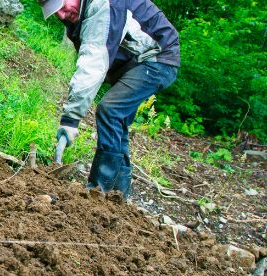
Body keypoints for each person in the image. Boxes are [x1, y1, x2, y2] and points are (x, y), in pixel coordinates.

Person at [41, 0, 180, 198]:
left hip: (156, 57)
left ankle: (98, 193)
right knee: (117, 120)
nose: (62, 15)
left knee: (110, 110)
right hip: (136, 63)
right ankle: (119, 198)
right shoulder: (81, 14)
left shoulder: (102, 5)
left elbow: (93, 61)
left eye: (62, 6)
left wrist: (71, 119)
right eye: (55, 12)